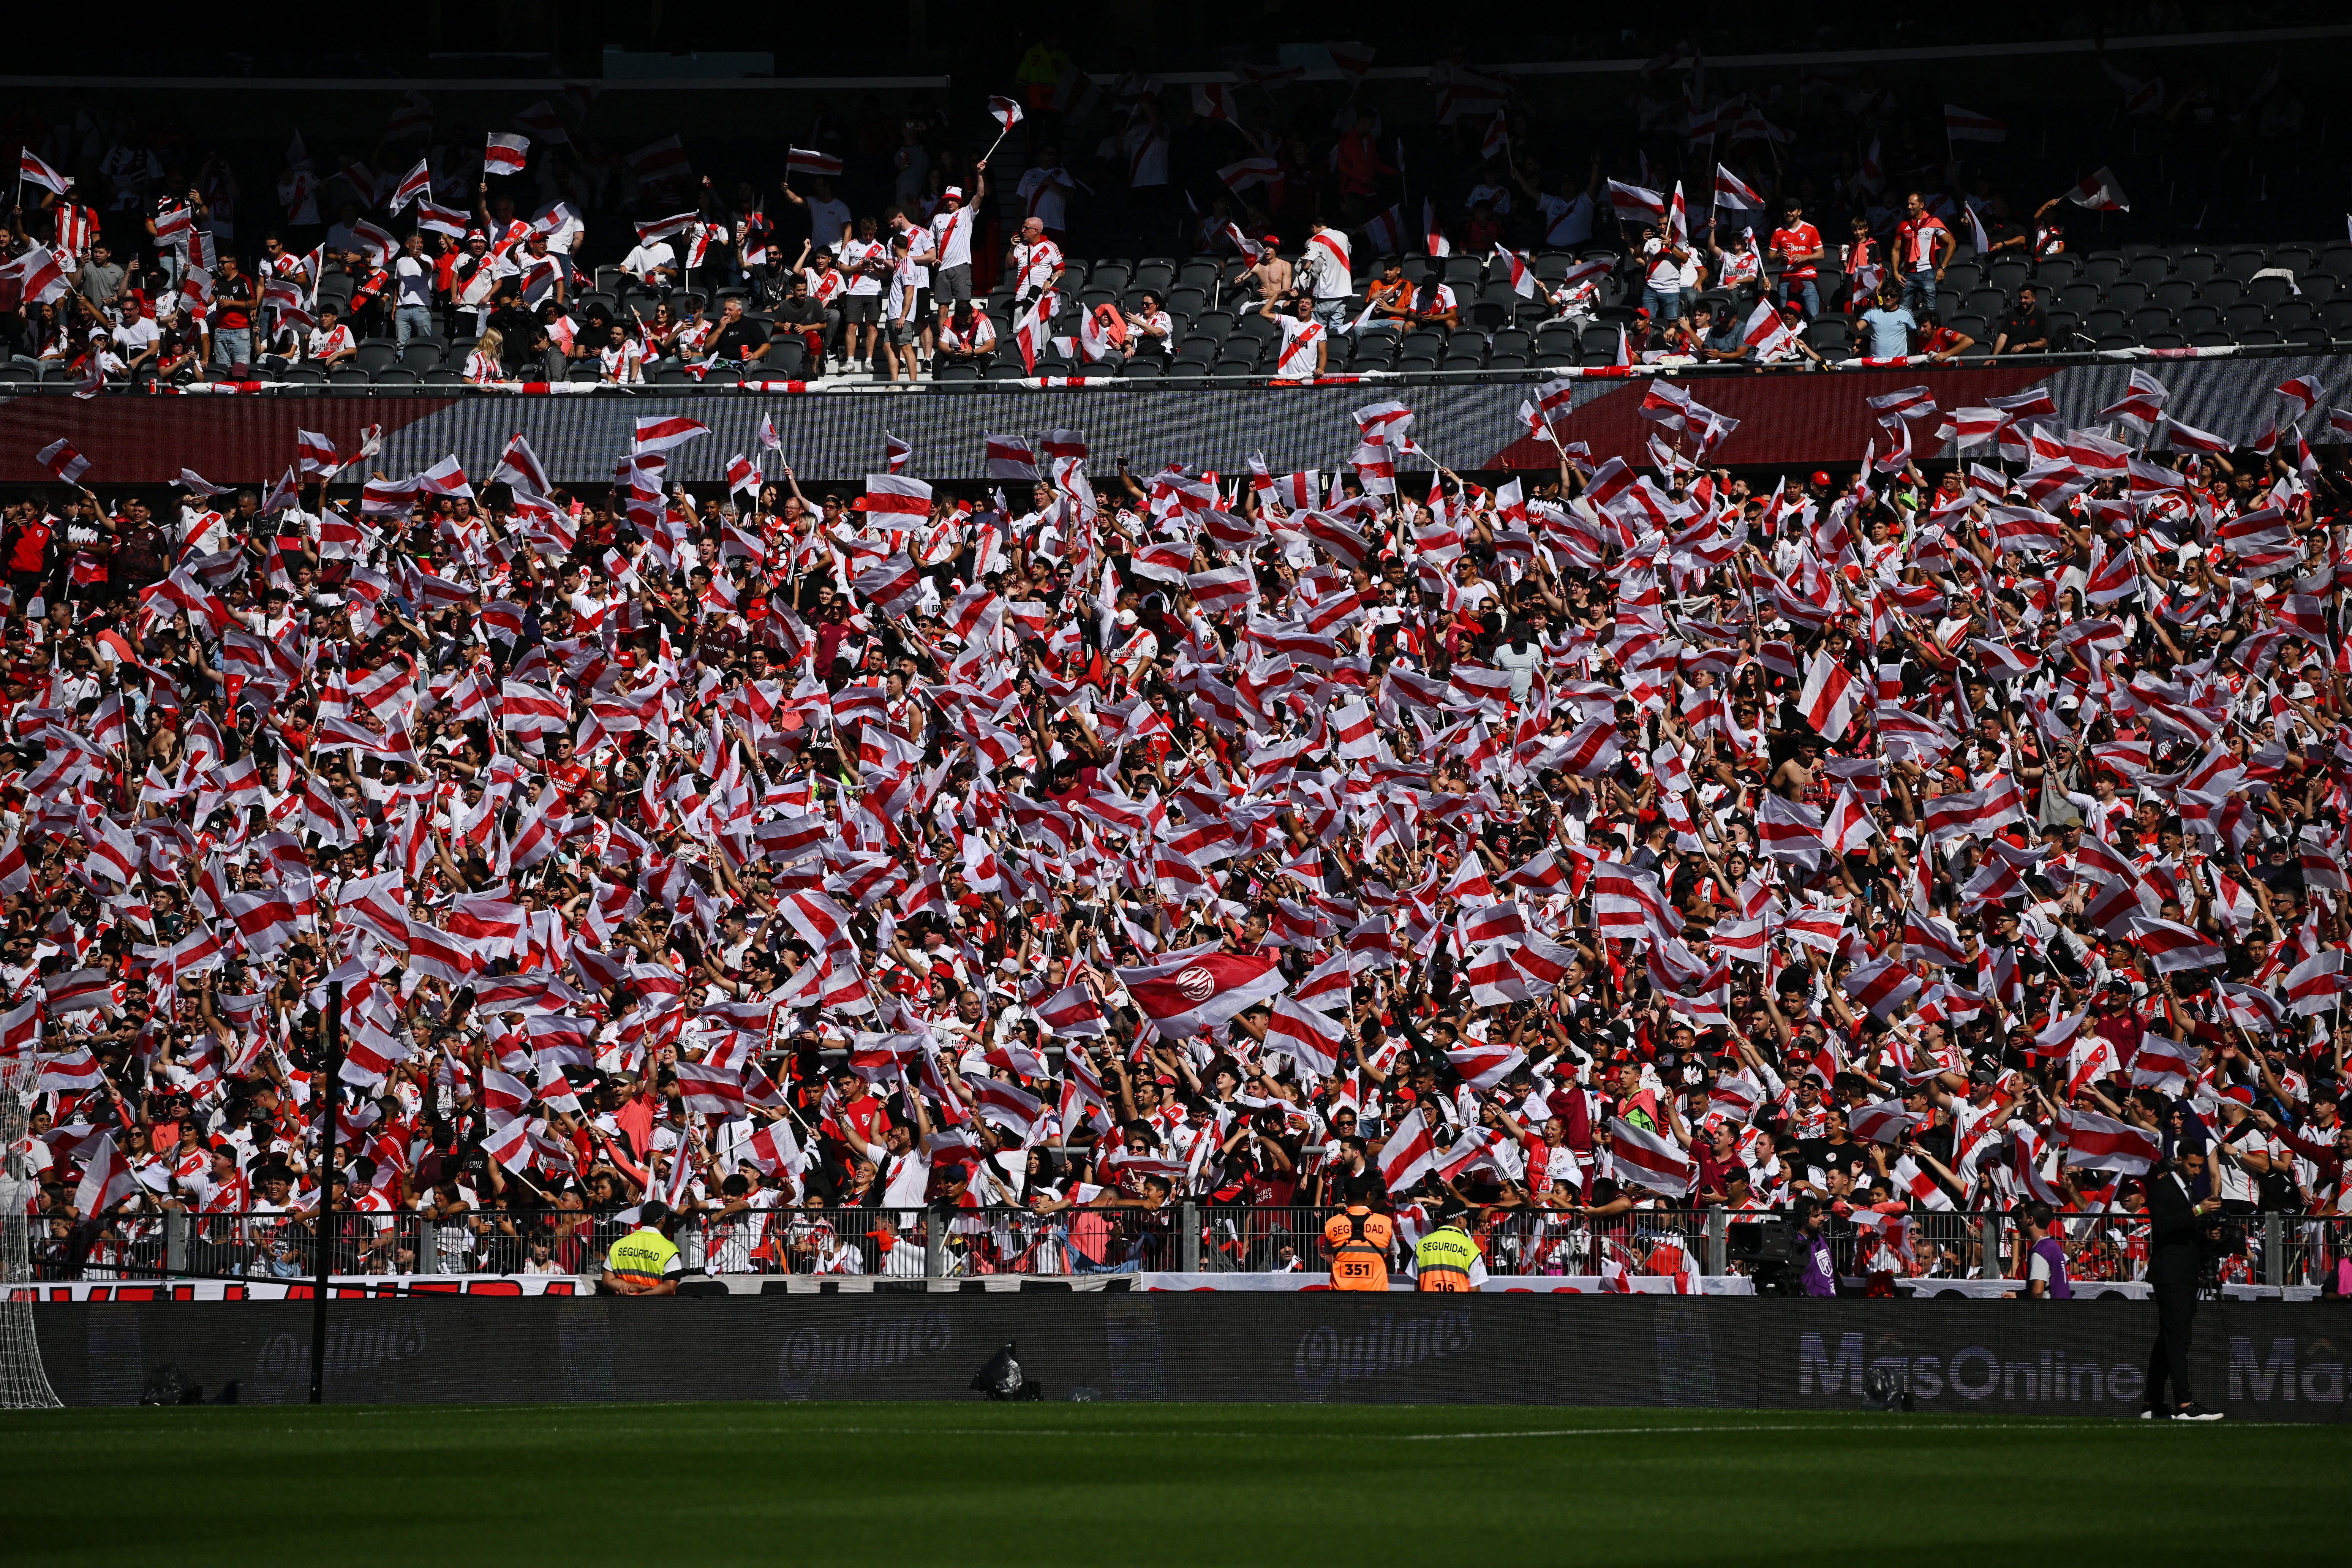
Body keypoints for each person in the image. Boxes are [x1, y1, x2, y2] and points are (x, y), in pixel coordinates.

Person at [2145, 1140, 2226, 1418]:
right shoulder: (2163, 1188)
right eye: (2193, 1165)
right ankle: (2184, 1405)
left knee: (2168, 1339)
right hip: (2170, 1273)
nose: (2197, 1171)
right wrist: (2198, 1212)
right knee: (2178, 1339)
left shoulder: (2190, 1191)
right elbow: (2163, 1226)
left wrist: (2207, 1234)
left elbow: (2186, 1227)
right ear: (2179, 1160)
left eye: (2201, 1167)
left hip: (2186, 1271)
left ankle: (2152, 1403)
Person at [601, 1200, 684, 1295]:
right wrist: (640, 1297)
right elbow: (670, 1286)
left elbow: (608, 1281)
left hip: (623, 1307)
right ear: (663, 1219)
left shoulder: (618, 1245)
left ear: (641, 1218)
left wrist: (633, 1288)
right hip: (657, 1308)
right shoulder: (669, 1249)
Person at [1321, 1201, 1394, 1291]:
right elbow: (1394, 1252)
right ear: (1369, 1196)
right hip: (1375, 1293)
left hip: (1341, 1293)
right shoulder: (1386, 1222)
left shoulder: (1332, 1223)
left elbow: (1329, 1254)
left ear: (1345, 1197)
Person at [1413, 1199, 1481, 1291]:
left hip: (1428, 1304)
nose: (1467, 1222)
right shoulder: (1470, 1246)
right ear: (1460, 1219)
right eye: (1466, 1218)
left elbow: (1417, 1284)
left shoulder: (1422, 1244)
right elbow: (1475, 1288)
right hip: (1458, 1305)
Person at [2020, 1201, 2071, 1299]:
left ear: (2030, 1220)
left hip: (2047, 1312)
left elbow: (2038, 1292)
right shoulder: (2053, 1246)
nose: (2020, 1220)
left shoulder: (2040, 1251)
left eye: (2023, 1216)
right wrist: (2018, 1295)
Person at [1990, 284, 2052, 359]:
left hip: (2029, 357)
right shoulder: (2011, 314)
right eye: (2021, 298)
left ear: (2034, 299)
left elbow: (2044, 343)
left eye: (2026, 298)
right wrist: (1994, 357)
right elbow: (2002, 337)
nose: (2023, 301)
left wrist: (2025, 346)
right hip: (2009, 355)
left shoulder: (2042, 316)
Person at [1794, 1196, 1837, 1297]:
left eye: (1822, 1214)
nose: (1822, 1218)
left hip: (1830, 1304)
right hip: (1809, 1307)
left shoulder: (1821, 1237)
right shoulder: (1795, 1244)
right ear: (1804, 1218)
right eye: (1816, 1215)